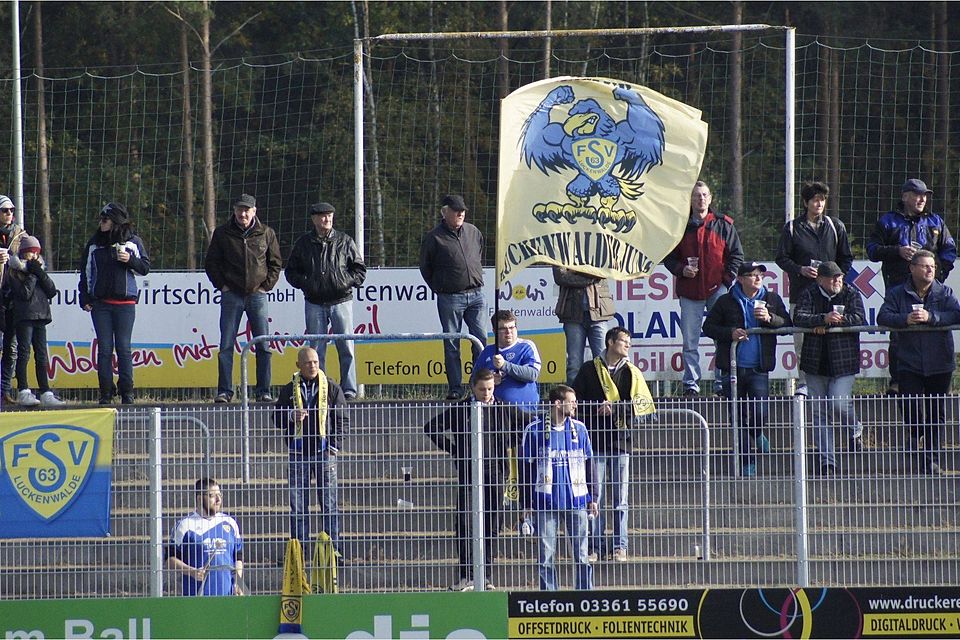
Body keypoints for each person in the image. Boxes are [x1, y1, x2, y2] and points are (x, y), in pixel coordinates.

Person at [423, 368, 528, 591]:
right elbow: (431, 427)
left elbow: (527, 423)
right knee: (464, 523)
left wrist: (510, 441)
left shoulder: (503, 408)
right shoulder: (461, 409)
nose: (486, 393)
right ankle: (466, 575)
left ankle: (486, 576)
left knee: (492, 524)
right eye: (482, 389)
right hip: (469, 473)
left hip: (495, 473)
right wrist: (455, 449)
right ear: (473, 388)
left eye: (490, 389)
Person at [572, 325, 654, 562]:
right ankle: (594, 547)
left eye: (629, 342)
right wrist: (595, 410)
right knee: (594, 499)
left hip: (621, 442)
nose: (628, 345)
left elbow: (641, 405)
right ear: (610, 342)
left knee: (620, 499)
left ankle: (620, 546)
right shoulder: (589, 369)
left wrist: (616, 408)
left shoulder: (632, 372)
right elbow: (577, 403)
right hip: (596, 442)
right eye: (623, 341)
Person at [867, 178, 957, 394]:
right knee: (899, 334)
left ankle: (935, 379)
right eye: (917, 194)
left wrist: (939, 274)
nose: (922, 199)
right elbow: (872, 249)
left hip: (931, 290)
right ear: (905, 196)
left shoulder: (935, 221)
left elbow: (949, 250)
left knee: (934, 332)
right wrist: (897, 251)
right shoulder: (888, 221)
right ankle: (898, 381)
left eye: (925, 195)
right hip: (899, 287)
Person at [703, 262, 790, 477]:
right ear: (740, 279)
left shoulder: (772, 299)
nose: (758, 278)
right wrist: (730, 333)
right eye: (752, 275)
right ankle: (746, 461)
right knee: (737, 419)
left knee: (760, 413)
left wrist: (769, 319)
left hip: (758, 368)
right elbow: (708, 328)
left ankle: (757, 432)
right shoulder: (726, 301)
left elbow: (787, 325)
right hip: (731, 369)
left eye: (760, 274)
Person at [877, 250, 960, 475]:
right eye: (925, 266)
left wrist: (932, 318)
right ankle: (916, 433)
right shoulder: (897, 293)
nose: (930, 270)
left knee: (936, 412)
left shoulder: (944, 292)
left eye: (932, 266)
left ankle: (931, 460)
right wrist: (904, 319)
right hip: (909, 361)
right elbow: (883, 317)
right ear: (912, 268)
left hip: (940, 361)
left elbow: (956, 314)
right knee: (910, 405)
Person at [664, 181, 743, 396]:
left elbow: (737, 255)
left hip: (718, 290)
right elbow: (669, 258)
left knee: (722, 338)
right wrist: (681, 270)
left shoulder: (723, 224)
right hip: (690, 292)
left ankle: (721, 382)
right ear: (690, 200)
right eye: (696, 195)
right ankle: (691, 384)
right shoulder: (680, 226)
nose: (701, 199)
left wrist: (727, 280)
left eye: (704, 195)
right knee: (690, 341)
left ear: (710, 198)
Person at [775, 181, 854, 396]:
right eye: (815, 200)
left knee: (834, 341)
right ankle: (804, 384)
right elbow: (781, 258)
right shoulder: (793, 228)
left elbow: (846, 258)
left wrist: (836, 277)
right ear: (805, 202)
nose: (819, 204)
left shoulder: (835, 226)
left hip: (832, 296)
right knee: (803, 343)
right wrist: (800, 269)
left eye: (822, 200)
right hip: (802, 294)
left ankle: (835, 385)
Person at [205, 194, 282, 403]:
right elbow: (211, 263)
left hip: (258, 295)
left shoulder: (267, 233)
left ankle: (263, 391)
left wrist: (265, 287)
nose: (243, 214)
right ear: (234, 210)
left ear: (254, 211)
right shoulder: (222, 233)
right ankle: (225, 391)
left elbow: (275, 263)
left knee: (263, 345)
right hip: (232, 295)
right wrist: (222, 285)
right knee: (226, 345)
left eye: (247, 210)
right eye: (240, 209)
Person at [285, 202, 367, 400]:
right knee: (316, 349)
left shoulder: (345, 241)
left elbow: (359, 270)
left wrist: (344, 282)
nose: (327, 219)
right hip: (314, 302)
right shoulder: (303, 243)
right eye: (322, 216)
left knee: (346, 347)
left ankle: (349, 390)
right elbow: (291, 272)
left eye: (330, 215)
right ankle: (319, 390)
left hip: (341, 300)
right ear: (314, 219)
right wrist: (307, 284)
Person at [520, 385, 598, 591]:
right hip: (545, 503)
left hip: (577, 501)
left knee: (582, 555)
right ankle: (550, 599)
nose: (575, 405)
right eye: (571, 401)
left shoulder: (580, 429)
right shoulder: (534, 430)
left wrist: (593, 497)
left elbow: (589, 464)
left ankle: (584, 596)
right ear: (557, 404)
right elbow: (525, 469)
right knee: (546, 557)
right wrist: (526, 503)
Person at [792, 261, 866, 475]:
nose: (837, 281)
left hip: (843, 362)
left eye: (839, 277)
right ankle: (827, 462)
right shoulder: (809, 293)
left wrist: (836, 321)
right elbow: (799, 317)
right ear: (820, 280)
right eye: (832, 278)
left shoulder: (851, 293)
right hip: (815, 362)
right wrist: (822, 318)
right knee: (819, 413)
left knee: (839, 403)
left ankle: (855, 427)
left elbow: (860, 317)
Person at [273, 346, 348, 551]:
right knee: (298, 507)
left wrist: (334, 447)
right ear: (299, 365)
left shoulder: (331, 387)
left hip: (325, 454)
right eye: (308, 362)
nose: (313, 366)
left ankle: (333, 551)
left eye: (315, 362)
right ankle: (300, 552)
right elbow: (276, 418)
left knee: (329, 505)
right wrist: (291, 416)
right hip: (298, 454)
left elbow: (342, 419)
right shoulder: (289, 390)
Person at [78, 203, 151, 405]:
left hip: (125, 304)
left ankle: (127, 393)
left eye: (105, 219)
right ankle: (105, 393)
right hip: (101, 304)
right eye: (101, 219)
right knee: (104, 349)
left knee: (124, 348)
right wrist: (85, 297)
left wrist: (129, 260)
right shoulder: (94, 244)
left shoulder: (133, 241)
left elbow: (144, 268)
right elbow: (85, 272)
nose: (101, 223)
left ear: (115, 222)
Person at [419, 194, 487, 400]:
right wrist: (441, 287)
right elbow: (426, 267)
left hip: (476, 294)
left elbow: (479, 254)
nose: (460, 214)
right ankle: (455, 388)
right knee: (451, 344)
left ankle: (479, 385)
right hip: (450, 297)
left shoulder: (473, 231)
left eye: (463, 211)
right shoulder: (434, 237)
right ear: (445, 212)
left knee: (481, 340)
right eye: (456, 210)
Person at [5, 236, 64, 407]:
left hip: (41, 315)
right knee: (24, 353)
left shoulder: (38, 270)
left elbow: (51, 291)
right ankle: (23, 390)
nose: (34, 256)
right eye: (31, 252)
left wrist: (39, 272)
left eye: (37, 253)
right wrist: (32, 274)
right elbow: (24, 294)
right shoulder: (14, 271)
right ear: (24, 253)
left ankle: (45, 392)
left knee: (41, 354)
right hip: (24, 317)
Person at [166, 478, 244, 596]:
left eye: (219, 495)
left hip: (228, 597)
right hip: (197, 598)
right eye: (212, 495)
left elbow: (238, 558)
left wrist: (239, 583)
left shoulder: (230, 523)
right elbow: (170, 560)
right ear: (199, 498)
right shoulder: (185, 525)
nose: (218, 500)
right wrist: (192, 571)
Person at [553, 266, 615, 385]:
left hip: (598, 313)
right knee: (574, 365)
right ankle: (574, 396)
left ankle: (605, 395)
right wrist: (591, 277)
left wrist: (575, 271)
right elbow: (561, 277)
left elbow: (603, 271)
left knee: (603, 361)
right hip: (572, 314)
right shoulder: (561, 253)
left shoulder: (599, 253)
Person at [471, 310, 541, 412]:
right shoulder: (487, 351)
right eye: (503, 328)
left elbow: (532, 375)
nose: (508, 332)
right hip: (495, 413)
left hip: (525, 412)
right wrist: (489, 381)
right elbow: (473, 381)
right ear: (494, 331)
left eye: (512, 327)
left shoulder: (526, 347)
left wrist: (504, 365)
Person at [0, 195, 27, 404]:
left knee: (11, 346)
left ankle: (5, 390)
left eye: (11, 210)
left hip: (13, 298)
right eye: (5, 210)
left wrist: (16, 262)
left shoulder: (21, 235)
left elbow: (33, 260)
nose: (9, 214)